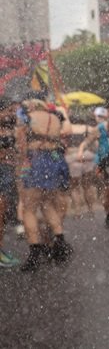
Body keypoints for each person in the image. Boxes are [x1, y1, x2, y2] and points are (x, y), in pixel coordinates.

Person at [15, 97, 73, 271]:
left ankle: (34, 254)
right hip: (54, 161)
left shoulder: (28, 117)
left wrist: (21, 164)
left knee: (29, 208)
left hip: (36, 160)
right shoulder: (54, 118)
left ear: (31, 104)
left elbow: (21, 142)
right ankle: (60, 243)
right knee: (47, 203)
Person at [0, 97, 20, 267]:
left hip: (6, 172)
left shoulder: (7, 128)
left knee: (3, 212)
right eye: (7, 111)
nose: (11, 114)